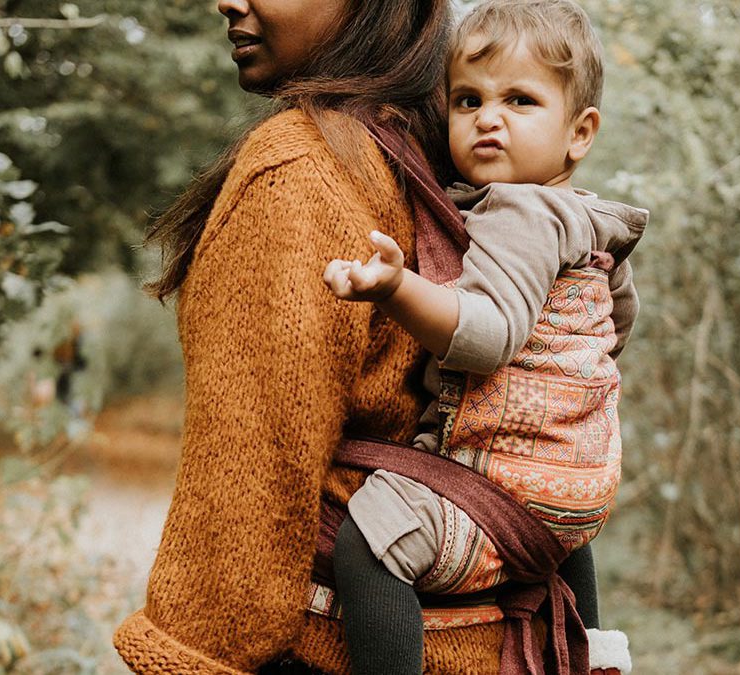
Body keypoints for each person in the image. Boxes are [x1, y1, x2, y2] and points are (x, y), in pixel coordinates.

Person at [110, 1, 523, 673]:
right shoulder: (456, 153)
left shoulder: (302, 168)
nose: (230, 1)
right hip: (492, 645)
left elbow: (245, 508)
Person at [323, 1, 647, 673]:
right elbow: (617, 322)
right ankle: (596, 653)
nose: (488, 118)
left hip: (505, 480)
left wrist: (395, 289)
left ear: (579, 131)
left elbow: (486, 337)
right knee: (554, 533)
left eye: (520, 100)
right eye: (468, 100)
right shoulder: (589, 219)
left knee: (373, 542)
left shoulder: (517, 212)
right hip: (580, 487)